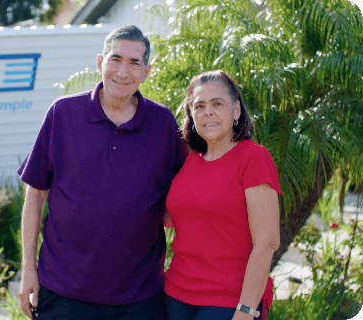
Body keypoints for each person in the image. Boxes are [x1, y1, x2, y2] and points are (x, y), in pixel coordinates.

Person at [17, 25, 186, 320]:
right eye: (115, 60)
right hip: (64, 291)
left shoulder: (163, 123)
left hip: (140, 296)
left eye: (134, 63)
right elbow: (35, 194)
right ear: (100, 63)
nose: (123, 72)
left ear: (147, 71)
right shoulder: (63, 114)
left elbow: (184, 195)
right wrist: (28, 269)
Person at [164, 70, 281, 320]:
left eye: (218, 104)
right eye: (200, 106)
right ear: (191, 114)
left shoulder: (253, 158)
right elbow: (176, 218)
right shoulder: (189, 162)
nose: (208, 112)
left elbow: (267, 242)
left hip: (230, 299)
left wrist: (247, 310)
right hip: (175, 295)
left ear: (236, 110)